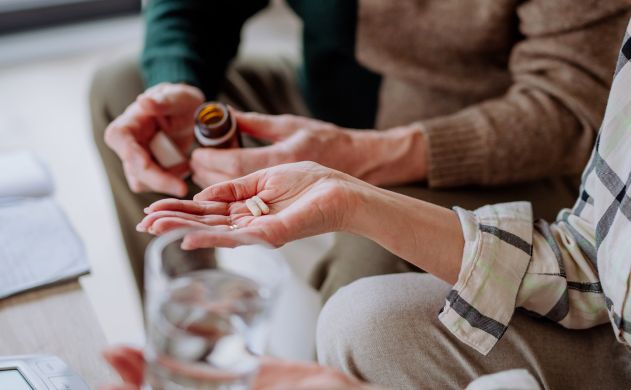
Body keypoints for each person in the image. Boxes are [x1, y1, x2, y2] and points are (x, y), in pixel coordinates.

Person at [103, 21, 631, 389]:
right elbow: (589, 255)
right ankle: (190, 355)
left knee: (361, 281)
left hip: (487, 143)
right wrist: (348, 197)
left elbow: (563, 109)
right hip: (337, 103)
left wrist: (364, 159)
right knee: (120, 85)